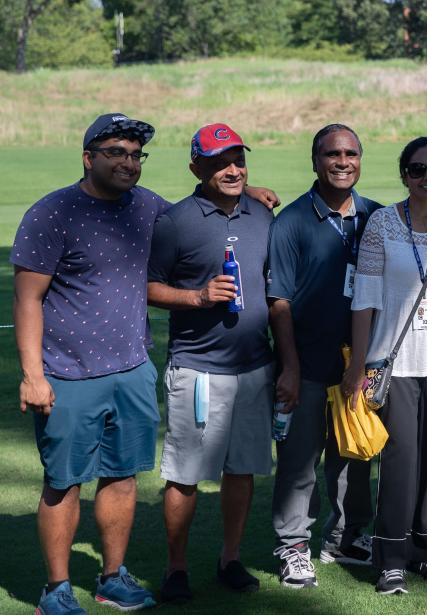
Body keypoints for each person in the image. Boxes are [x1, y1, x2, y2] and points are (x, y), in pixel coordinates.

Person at [13, 113, 163, 614]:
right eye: (116, 152)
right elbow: (27, 300)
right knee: (63, 481)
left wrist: (248, 195)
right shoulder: (53, 212)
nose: (128, 162)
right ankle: (55, 589)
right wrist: (33, 375)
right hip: (66, 375)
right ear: (88, 158)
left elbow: (195, 215)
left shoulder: (145, 206)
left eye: (135, 154)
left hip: (131, 368)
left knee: (122, 477)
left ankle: (112, 578)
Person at [147, 123, 274, 601]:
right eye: (220, 162)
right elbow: (149, 286)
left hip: (255, 366)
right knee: (184, 475)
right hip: (197, 369)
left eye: (238, 160)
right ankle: (176, 567)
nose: (233, 169)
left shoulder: (261, 214)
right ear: (196, 168)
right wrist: (198, 297)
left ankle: (230, 558)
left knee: (241, 470)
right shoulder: (176, 221)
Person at [343, 136, 427, 595]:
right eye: (417, 170)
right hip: (393, 361)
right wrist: (358, 363)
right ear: (403, 175)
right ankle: (392, 559)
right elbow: (365, 297)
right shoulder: (381, 223)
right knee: (400, 459)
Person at [268, 124, 381, 588]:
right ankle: (293, 546)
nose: (342, 161)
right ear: (315, 161)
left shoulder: (376, 216)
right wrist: (290, 368)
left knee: (354, 456)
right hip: (308, 363)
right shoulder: (292, 221)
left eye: (351, 153)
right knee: (299, 461)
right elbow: (279, 303)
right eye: (332, 154)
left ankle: (347, 537)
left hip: (359, 364)